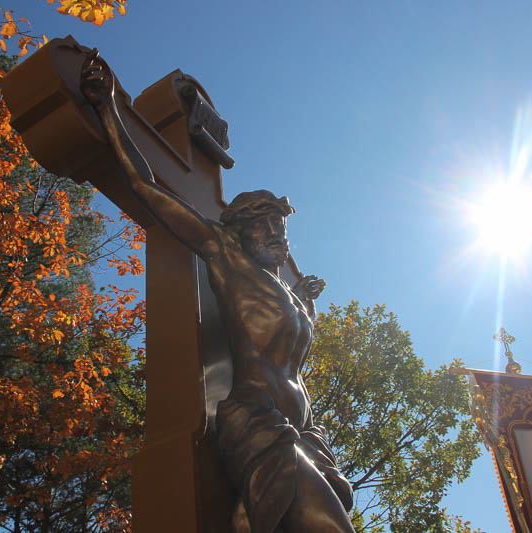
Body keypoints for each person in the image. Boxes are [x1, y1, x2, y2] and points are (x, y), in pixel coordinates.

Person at [81, 51, 354, 533]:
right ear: (239, 233)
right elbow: (147, 188)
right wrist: (109, 111)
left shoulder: (287, 292)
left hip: (306, 432)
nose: (276, 234)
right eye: (264, 225)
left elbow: (288, 344)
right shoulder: (226, 257)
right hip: (260, 423)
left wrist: (306, 298)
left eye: (280, 226)